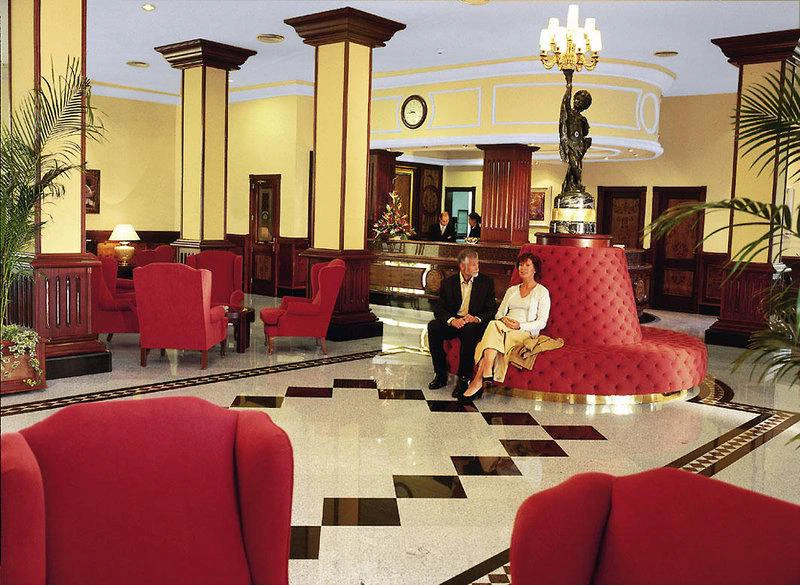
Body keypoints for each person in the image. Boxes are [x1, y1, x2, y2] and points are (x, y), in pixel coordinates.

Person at [460, 253, 550, 401]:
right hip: (503, 326)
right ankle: (484, 376)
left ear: (535, 269)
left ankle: (481, 377)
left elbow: (542, 322)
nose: (523, 268)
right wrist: (504, 319)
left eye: (527, 265)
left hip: (524, 331)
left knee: (493, 329)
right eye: (520, 265)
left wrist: (520, 325)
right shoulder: (512, 290)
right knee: (495, 324)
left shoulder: (542, 292)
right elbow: (498, 314)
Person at [427, 249, 497, 396]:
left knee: (469, 330)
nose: (477, 267)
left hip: (474, 324)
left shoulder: (486, 282)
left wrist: (476, 318)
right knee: (433, 326)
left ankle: (464, 379)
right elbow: (439, 309)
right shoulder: (448, 283)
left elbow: (491, 310)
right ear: (462, 266)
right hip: (456, 322)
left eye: (477, 263)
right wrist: (452, 320)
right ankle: (440, 374)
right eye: (473, 264)